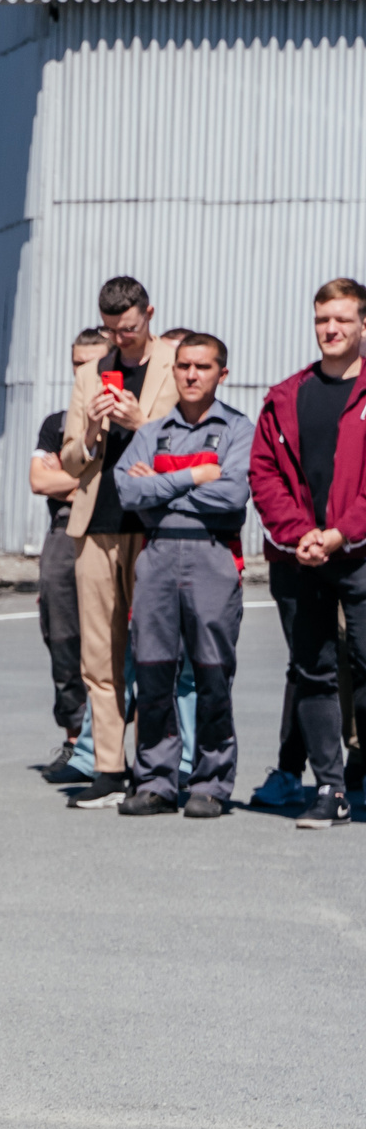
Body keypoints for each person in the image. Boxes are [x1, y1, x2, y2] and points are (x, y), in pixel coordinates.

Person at [110, 332, 250, 818]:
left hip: (212, 557)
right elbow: (127, 492)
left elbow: (233, 498)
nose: (191, 375)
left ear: (221, 374)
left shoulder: (237, 429)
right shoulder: (151, 432)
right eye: (184, 366)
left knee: (212, 675)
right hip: (158, 558)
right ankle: (156, 781)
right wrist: (194, 476)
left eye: (203, 367)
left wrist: (162, 489)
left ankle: (210, 783)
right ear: (173, 370)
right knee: (152, 673)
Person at [58, 277, 180, 808]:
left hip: (154, 524)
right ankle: (108, 766)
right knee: (98, 655)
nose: (120, 339)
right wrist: (88, 432)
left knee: (156, 652)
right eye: (111, 330)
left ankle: (157, 766)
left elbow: (189, 437)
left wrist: (141, 421)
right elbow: (68, 459)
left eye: (128, 328)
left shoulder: (179, 360)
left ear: (149, 314)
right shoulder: (91, 372)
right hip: (97, 523)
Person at [250, 277, 366, 827]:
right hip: (301, 556)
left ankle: (360, 771)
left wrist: (340, 532)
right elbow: (264, 474)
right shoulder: (285, 396)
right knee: (313, 671)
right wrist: (301, 534)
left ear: (363, 325)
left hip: (359, 553)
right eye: (323, 320)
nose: (331, 330)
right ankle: (332, 789)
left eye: (342, 319)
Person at [32, 336, 96, 783]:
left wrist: (70, 478)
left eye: (92, 364)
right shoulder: (56, 423)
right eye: (76, 364)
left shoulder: (127, 421)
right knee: (62, 636)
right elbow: (40, 480)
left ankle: (114, 741)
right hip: (63, 533)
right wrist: (89, 484)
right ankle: (75, 738)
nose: (83, 374)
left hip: (111, 533)